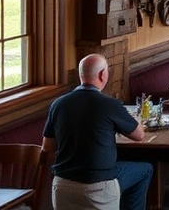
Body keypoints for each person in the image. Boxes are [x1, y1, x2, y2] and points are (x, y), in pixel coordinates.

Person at [43, 54, 153, 210]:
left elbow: (47, 147)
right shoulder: (109, 104)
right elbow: (139, 135)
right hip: (98, 186)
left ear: (80, 75)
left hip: (62, 185)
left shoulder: (58, 104)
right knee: (145, 169)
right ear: (103, 74)